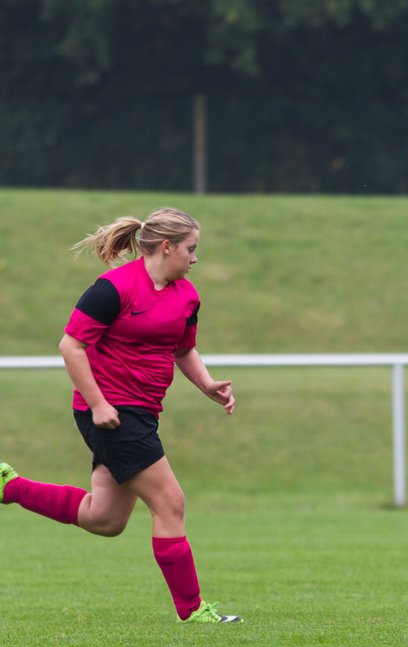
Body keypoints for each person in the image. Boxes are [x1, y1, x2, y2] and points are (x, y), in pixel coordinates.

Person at [1, 208, 241, 624]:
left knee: (106, 518)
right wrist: (98, 404)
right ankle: (194, 611)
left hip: (143, 413)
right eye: (191, 249)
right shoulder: (113, 288)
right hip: (111, 411)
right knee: (171, 502)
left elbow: (182, 348)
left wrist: (207, 386)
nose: (195, 259)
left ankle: (10, 485)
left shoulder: (187, 295)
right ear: (166, 247)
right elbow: (70, 347)